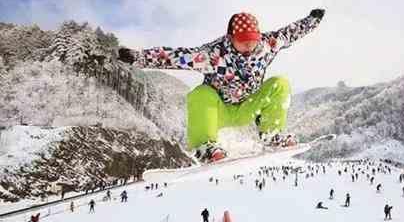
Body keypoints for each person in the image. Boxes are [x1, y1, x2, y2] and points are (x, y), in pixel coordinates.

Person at [118, 9, 326, 163]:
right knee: (200, 93)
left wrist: (312, 20)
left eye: (252, 40)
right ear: (230, 38)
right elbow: (175, 57)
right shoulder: (212, 55)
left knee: (280, 83)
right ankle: (206, 146)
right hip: (220, 112)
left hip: (249, 108)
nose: (248, 46)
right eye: (242, 41)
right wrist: (138, 58)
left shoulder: (266, 46)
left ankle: (271, 133)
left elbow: (289, 34)